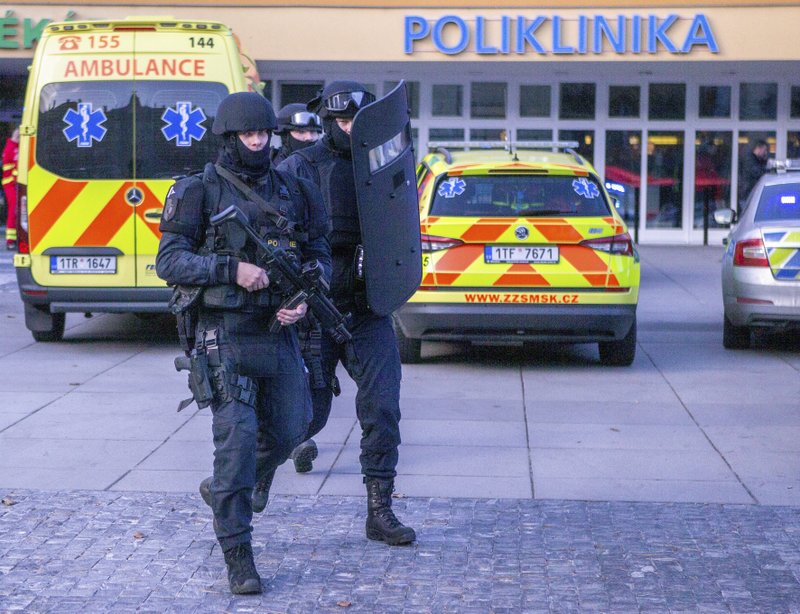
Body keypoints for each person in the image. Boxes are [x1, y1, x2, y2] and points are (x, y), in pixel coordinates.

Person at [155, 92, 331, 594]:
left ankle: (224, 490)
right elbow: (169, 260)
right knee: (235, 445)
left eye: (263, 134)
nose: (257, 142)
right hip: (224, 334)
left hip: (279, 332)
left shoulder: (294, 188)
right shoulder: (198, 190)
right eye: (247, 134)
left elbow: (318, 252)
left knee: (293, 429)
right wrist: (230, 269)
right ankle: (238, 553)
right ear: (230, 138)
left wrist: (302, 298)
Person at [278, 81, 416, 546]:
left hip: (368, 306)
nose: (349, 128)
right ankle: (245, 481)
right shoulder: (298, 167)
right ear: (327, 121)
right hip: (316, 308)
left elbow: (401, 224)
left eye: (356, 120)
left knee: (383, 407)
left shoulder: (382, 164)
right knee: (305, 417)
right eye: (341, 120)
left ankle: (380, 510)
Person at [2, 127, 19, 250]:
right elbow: (12, 168)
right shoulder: (11, 148)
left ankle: (16, 238)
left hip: (15, 184)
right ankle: (10, 240)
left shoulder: (16, 147)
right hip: (11, 184)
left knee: (18, 211)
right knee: (13, 211)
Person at [739, 139, 769, 207]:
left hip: (750, 192)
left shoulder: (755, 160)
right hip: (748, 193)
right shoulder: (750, 160)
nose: (765, 153)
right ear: (759, 148)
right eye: (764, 150)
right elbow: (757, 172)